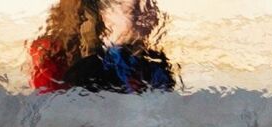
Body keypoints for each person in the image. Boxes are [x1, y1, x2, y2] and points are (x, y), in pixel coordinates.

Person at [30, 0, 176, 93]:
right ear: (104, 15)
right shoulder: (68, 63)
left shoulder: (156, 64)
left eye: (150, 5)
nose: (147, 16)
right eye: (133, 10)